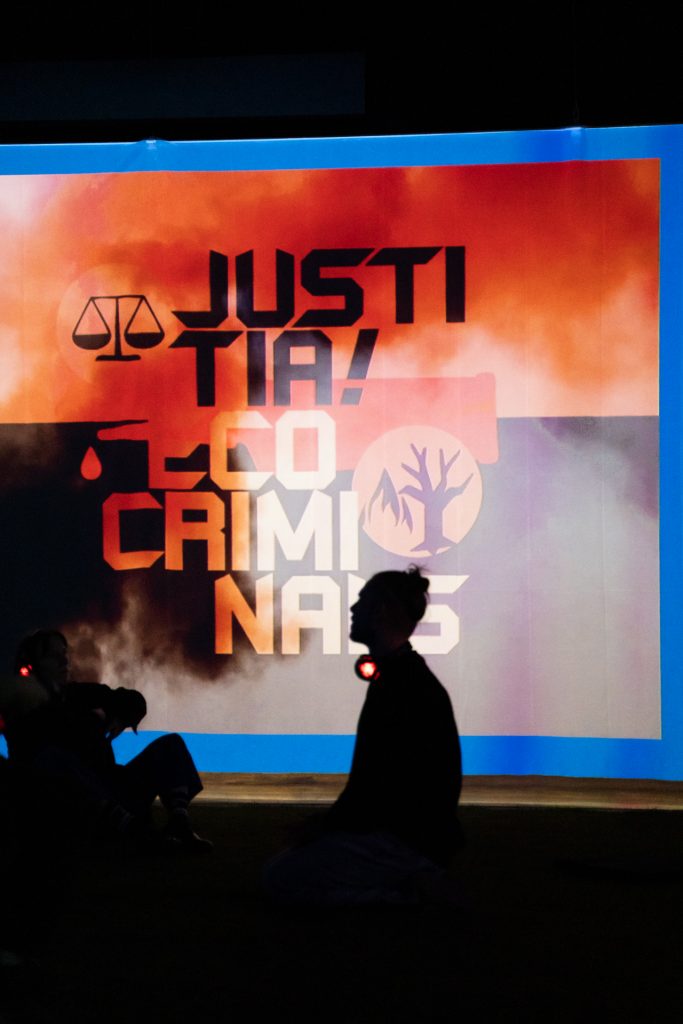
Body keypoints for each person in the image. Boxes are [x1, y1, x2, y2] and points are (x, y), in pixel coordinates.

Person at [264, 567, 464, 906]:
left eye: (362, 600)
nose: (354, 609)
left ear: (380, 610)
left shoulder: (401, 685)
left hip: (404, 839)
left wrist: (323, 827)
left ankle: (417, 893)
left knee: (281, 878)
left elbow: (373, 787)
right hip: (414, 835)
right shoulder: (404, 677)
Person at [1, 629, 211, 853]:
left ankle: (179, 823)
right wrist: (94, 718)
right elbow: (53, 728)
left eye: (64, 653)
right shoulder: (23, 705)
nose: (64, 660)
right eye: (53, 656)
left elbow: (133, 700)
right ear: (33, 665)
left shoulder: (79, 694)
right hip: (66, 808)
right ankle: (136, 833)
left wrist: (117, 714)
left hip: (110, 789)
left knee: (170, 745)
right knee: (53, 760)